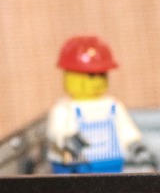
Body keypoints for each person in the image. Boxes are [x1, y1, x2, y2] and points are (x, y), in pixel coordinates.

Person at [46, 36, 154, 173]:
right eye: (91, 75)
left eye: (102, 75)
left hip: (111, 163)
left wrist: (134, 144)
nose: (97, 81)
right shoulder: (65, 108)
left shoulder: (112, 105)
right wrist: (66, 139)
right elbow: (57, 130)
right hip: (75, 166)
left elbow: (125, 127)